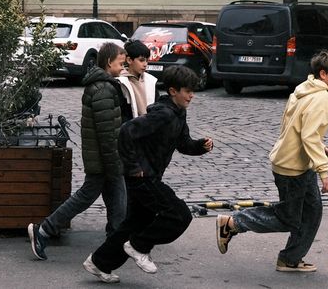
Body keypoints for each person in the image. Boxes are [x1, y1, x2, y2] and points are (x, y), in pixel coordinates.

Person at [214, 51, 328, 274]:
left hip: (297, 163)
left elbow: (296, 127)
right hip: (293, 167)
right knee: (288, 219)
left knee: (312, 212)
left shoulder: (305, 89)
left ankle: (290, 259)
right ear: (323, 74)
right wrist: (324, 171)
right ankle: (233, 223)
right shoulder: (321, 97)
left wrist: (323, 149)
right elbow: (309, 136)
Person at [83, 65, 213, 283]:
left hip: (149, 176)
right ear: (173, 91)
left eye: (193, 91)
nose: (192, 95)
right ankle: (139, 247)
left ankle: (99, 262)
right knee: (179, 215)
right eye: (187, 91)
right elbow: (126, 131)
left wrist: (200, 146)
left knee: (135, 223)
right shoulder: (163, 115)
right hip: (142, 178)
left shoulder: (179, 113)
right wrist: (133, 167)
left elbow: (183, 144)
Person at [29, 41, 132, 260]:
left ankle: (114, 245)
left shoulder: (104, 85)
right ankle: (44, 230)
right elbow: (107, 134)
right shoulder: (103, 89)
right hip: (105, 160)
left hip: (105, 159)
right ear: (108, 62)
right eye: (120, 63)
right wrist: (114, 164)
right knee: (91, 198)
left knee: (117, 202)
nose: (123, 66)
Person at [117, 40, 157, 119]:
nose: (145, 64)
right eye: (141, 60)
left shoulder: (151, 81)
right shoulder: (121, 82)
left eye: (147, 60)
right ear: (129, 60)